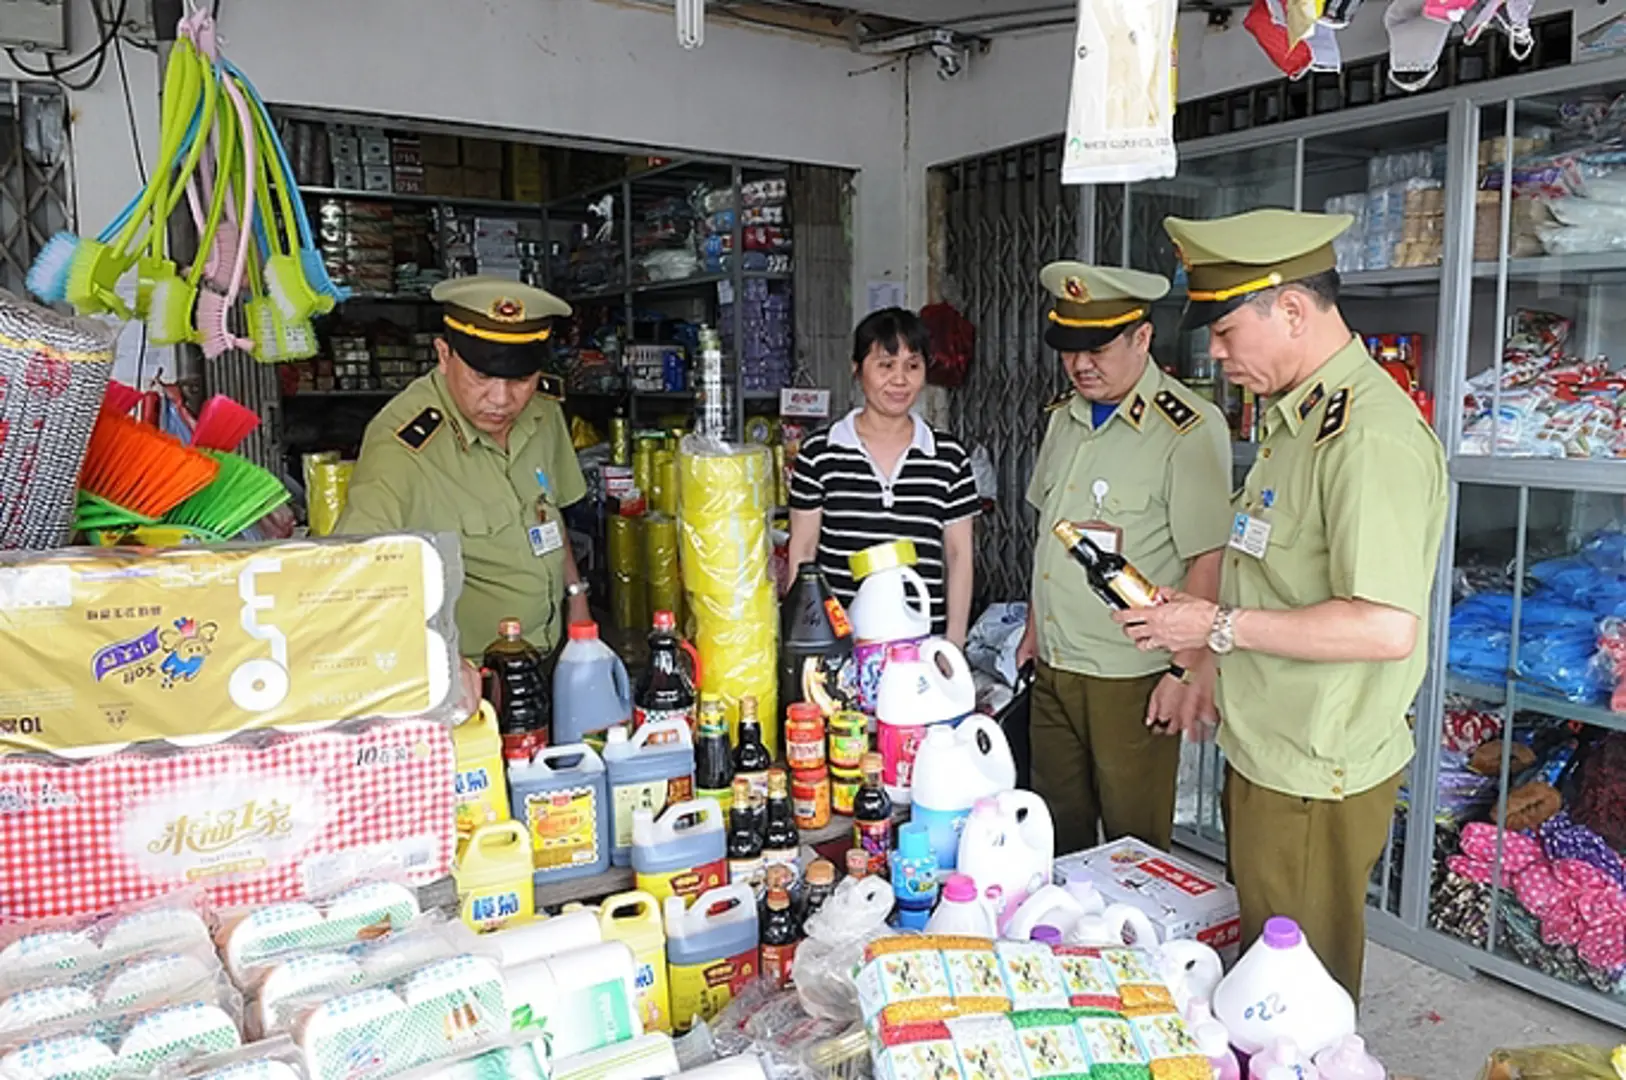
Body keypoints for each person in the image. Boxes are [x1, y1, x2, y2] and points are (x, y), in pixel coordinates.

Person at [1115, 208, 1448, 1002]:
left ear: (1292, 311)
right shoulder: (1295, 420)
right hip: (1268, 747)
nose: (1215, 353)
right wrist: (1196, 639)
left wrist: (1216, 628)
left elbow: (1385, 626)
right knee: (1265, 976)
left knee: (1302, 1002)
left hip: (1315, 769)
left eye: (1226, 331)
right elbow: (1268, 566)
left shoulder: (1366, 437)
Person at [1015, 262, 1231, 856]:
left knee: (1134, 847)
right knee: (1057, 833)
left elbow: (1207, 561)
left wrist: (1184, 669)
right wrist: (1035, 630)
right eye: (1069, 348)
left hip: (1130, 676)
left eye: (1099, 347)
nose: (1081, 363)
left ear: (1142, 338)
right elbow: (1048, 536)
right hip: (1057, 664)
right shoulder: (1064, 419)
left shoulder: (1187, 430)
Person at [337, 276, 591, 659]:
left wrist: (577, 599)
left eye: (521, 379)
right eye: (482, 376)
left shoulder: (543, 413)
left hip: (551, 649)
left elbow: (548, 514)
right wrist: (440, 663)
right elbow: (357, 578)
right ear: (443, 355)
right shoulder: (402, 445)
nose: (501, 399)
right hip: (470, 676)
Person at [787, 307, 979, 644]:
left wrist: (954, 642)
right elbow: (803, 550)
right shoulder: (820, 452)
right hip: (840, 641)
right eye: (886, 366)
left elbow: (959, 556)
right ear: (857, 369)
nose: (900, 380)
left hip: (920, 641)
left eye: (913, 366)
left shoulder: (948, 457)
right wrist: (803, 636)